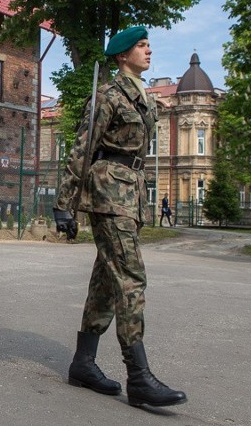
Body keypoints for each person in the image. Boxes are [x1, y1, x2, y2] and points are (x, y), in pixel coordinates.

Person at [52, 26, 187, 407]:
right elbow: (82, 149)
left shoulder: (142, 96)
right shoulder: (108, 95)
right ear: (122, 54)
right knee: (130, 278)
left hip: (129, 194)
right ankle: (139, 377)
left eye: (148, 45)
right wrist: (64, 203)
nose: (148, 50)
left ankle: (83, 362)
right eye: (141, 46)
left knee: (107, 281)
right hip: (108, 193)